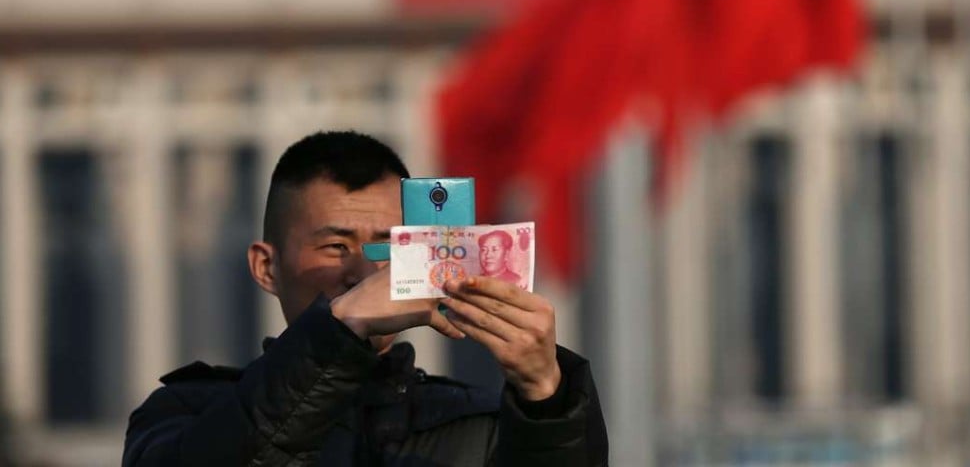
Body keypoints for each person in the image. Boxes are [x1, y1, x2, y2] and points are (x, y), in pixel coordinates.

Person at [122, 130, 608, 466]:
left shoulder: (479, 423)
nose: (366, 270)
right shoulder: (185, 413)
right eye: (335, 247)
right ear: (266, 267)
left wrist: (547, 398)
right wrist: (341, 326)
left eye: (389, 246)